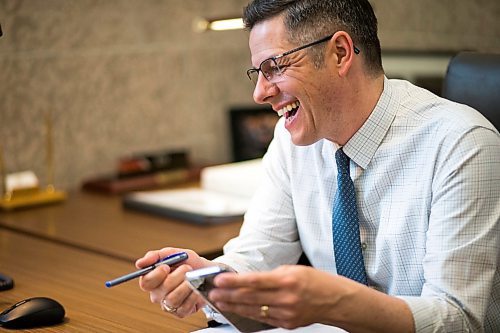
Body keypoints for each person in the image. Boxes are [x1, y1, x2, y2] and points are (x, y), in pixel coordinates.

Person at [136, 0, 500, 332]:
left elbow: (458, 320)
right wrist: (212, 282)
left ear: (339, 53)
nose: (259, 93)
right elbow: (259, 252)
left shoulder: (461, 144)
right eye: (257, 73)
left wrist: (337, 304)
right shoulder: (291, 140)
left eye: (274, 67)